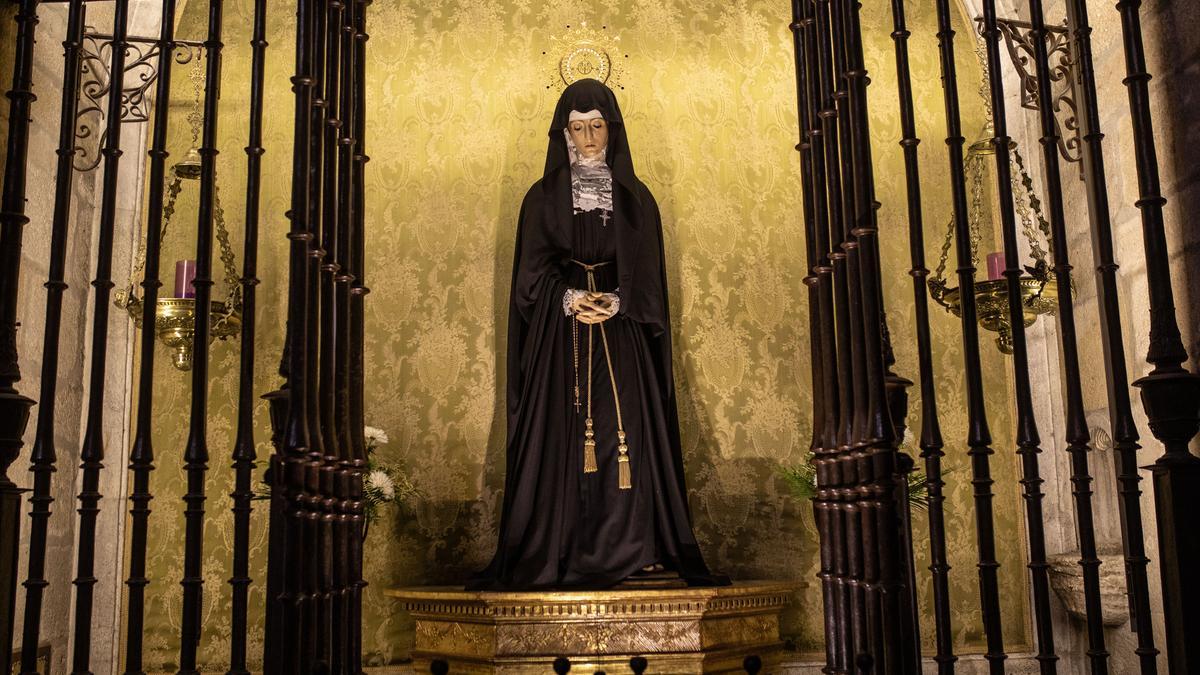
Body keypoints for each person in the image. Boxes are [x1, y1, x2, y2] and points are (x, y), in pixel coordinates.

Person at [468, 79, 727, 590]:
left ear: (612, 130)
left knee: (627, 438)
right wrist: (568, 298)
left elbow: (651, 273)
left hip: (621, 331)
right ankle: (559, 547)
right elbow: (529, 276)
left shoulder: (636, 199)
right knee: (560, 436)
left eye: (596, 126)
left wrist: (619, 299)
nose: (588, 138)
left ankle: (637, 548)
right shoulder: (540, 199)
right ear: (563, 133)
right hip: (560, 338)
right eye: (578, 127)